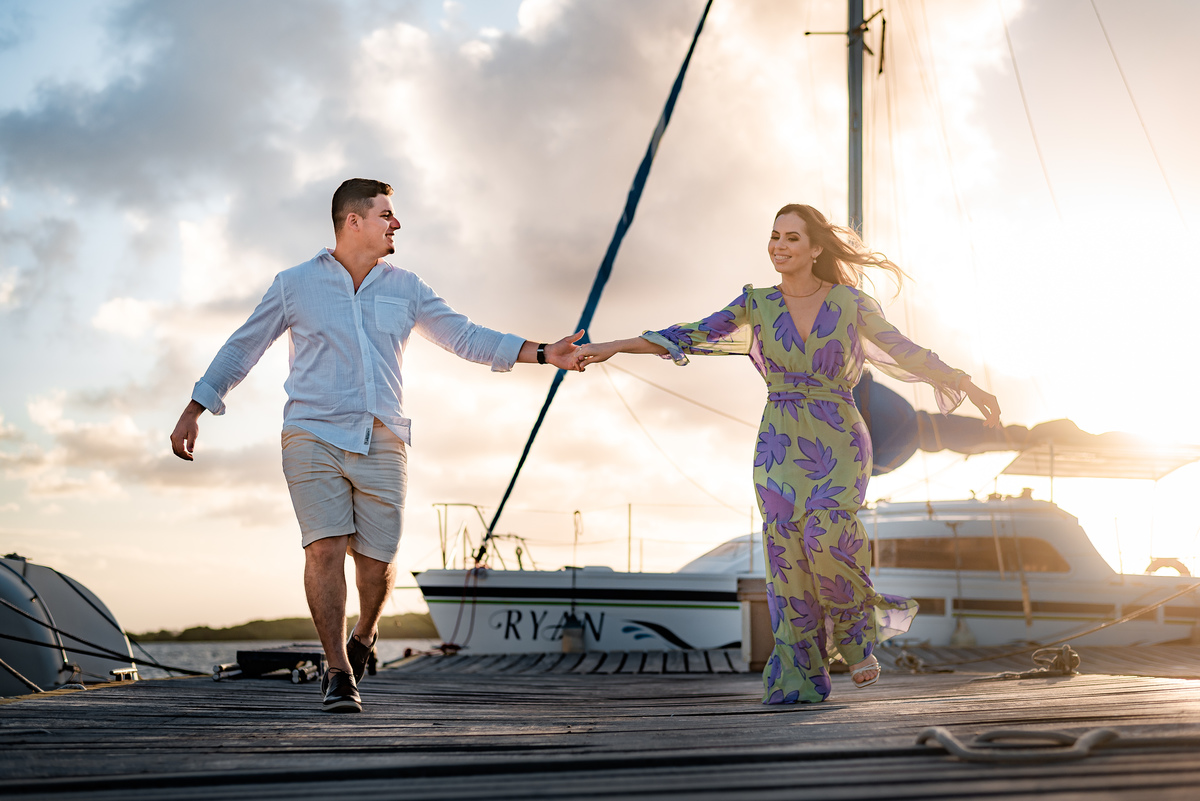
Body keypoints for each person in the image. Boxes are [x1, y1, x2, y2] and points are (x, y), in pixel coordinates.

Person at [170, 178, 583, 713]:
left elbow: (465, 336)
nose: (397, 224)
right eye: (387, 214)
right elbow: (244, 345)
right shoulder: (294, 284)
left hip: (384, 438)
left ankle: (365, 635)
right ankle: (338, 672)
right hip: (311, 432)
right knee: (323, 547)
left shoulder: (406, 286)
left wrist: (545, 352)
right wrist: (195, 408)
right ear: (354, 221)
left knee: (376, 563)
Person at [572, 204, 1000, 704]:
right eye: (774, 236)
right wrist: (616, 346)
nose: (778, 245)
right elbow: (691, 333)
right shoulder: (756, 304)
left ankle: (855, 639)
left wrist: (963, 381)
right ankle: (800, 678)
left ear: (816, 248)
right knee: (787, 559)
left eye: (791, 238)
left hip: (837, 433)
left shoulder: (851, 303)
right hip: (778, 438)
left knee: (827, 536)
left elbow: (903, 349)